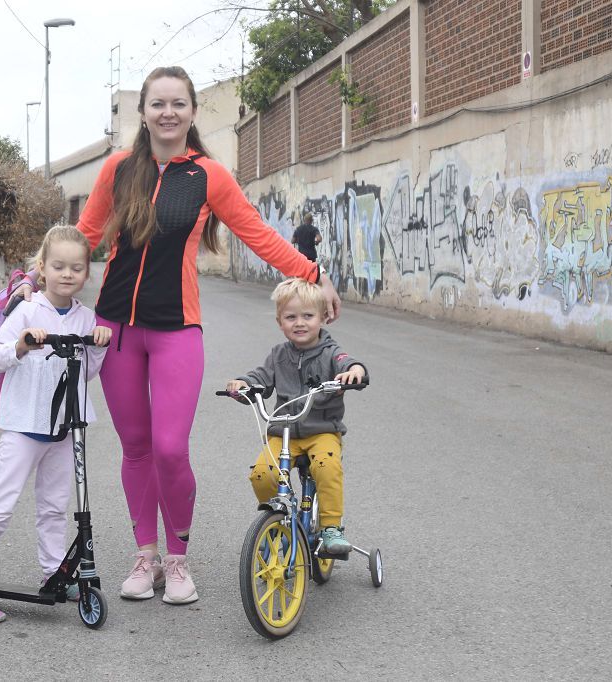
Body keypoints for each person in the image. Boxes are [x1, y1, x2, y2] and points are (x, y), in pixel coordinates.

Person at [18, 66, 342, 605]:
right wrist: (32, 278)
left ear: (191, 113)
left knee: (170, 449)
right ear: (142, 112)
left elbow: (257, 234)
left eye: (179, 104)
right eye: (157, 103)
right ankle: (145, 557)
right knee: (136, 447)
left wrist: (313, 273)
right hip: (116, 330)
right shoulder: (118, 170)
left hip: (176, 331)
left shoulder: (209, 175)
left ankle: (178, 558)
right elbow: (85, 236)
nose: (168, 112)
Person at [0, 226, 112, 624]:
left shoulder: (85, 317)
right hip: (24, 426)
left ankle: (54, 571)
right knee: (0, 504)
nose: (67, 274)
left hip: (64, 428)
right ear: (42, 267)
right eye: (58, 266)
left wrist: (98, 345)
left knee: (55, 507)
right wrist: (22, 344)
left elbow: (87, 372)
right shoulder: (26, 308)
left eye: (76, 268)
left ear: (85, 274)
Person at [226, 278, 366, 555]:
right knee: (262, 475)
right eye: (290, 317)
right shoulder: (278, 355)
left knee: (327, 467)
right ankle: (276, 518)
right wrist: (243, 384)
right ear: (280, 322)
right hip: (284, 432)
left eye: (308, 316)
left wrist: (354, 371)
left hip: (322, 430)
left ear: (323, 317)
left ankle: (331, 528)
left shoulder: (330, 352)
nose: (299, 323)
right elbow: (260, 378)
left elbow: (348, 363)